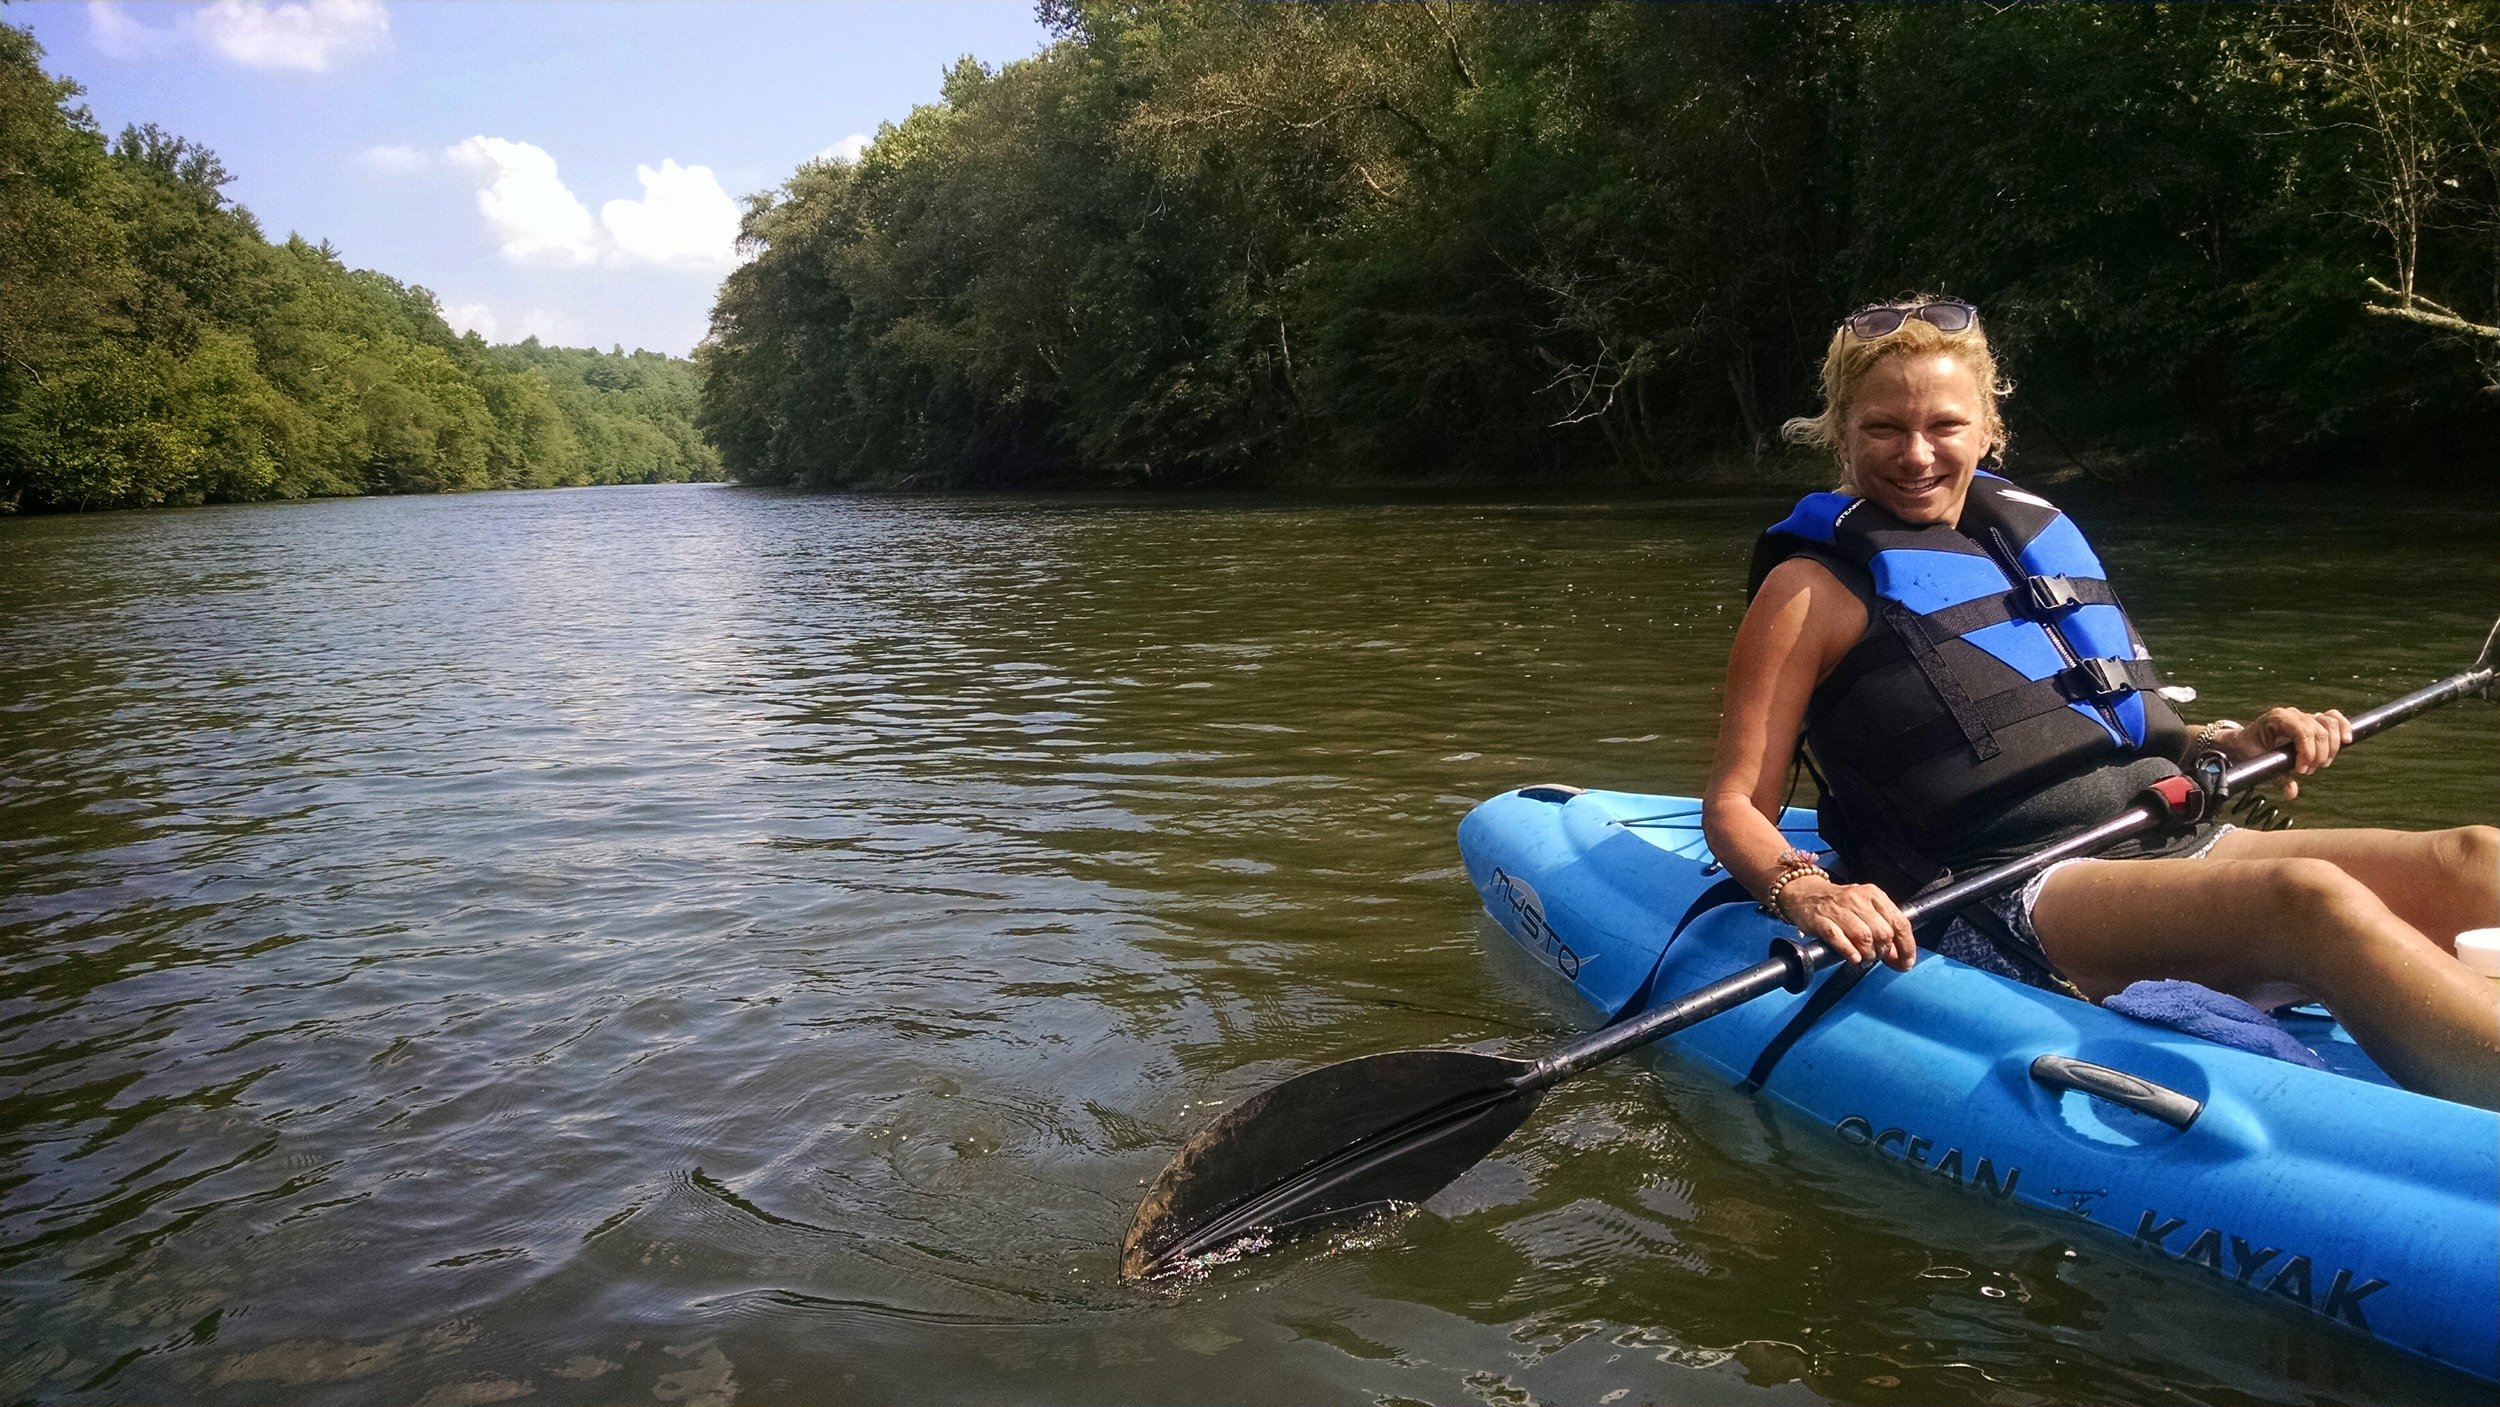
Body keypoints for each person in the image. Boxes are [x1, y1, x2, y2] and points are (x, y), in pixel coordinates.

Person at [1700, 296, 2500, 1110]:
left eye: (1943, 425)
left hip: (2169, 838)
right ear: (1842, 433)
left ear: (1988, 429)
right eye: (1883, 430)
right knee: (2309, 898)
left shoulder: (2025, 540)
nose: (1917, 455)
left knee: (2476, 857)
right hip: (2013, 889)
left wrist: (2233, 739)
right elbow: (1734, 804)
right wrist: (1807, 890)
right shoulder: (1808, 591)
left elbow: (2127, 731)